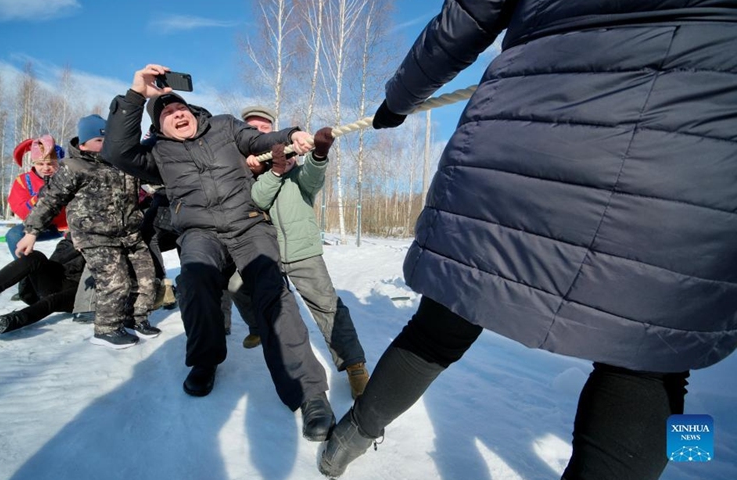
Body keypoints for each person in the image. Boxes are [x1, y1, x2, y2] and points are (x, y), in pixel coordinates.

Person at [319, 1, 737, 479]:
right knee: (650, 361)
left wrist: (399, 100)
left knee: (441, 322)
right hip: (689, 155)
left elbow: (464, 21)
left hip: (515, 143)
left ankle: (348, 440)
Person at [102, 64, 335, 442]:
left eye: (179, 108)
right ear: (157, 128)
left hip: (247, 224)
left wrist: (292, 135)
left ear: (192, 111)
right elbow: (115, 150)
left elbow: (261, 140)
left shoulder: (225, 127)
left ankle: (308, 393)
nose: (175, 113)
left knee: (272, 289)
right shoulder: (156, 154)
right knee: (194, 280)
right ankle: (205, 361)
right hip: (199, 232)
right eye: (164, 113)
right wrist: (135, 95)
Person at [241, 106, 370, 399]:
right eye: (253, 130)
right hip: (266, 255)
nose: (260, 134)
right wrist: (270, 171)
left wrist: (319, 155)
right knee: (238, 285)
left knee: (327, 306)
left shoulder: (297, 173)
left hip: (302, 253)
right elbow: (258, 198)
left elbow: (313, 178)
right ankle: (257, 326)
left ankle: (354, 366)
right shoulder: (246, 174)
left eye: (265, 128)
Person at [16, 114, 160, 350]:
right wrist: (32, 231)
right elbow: (50, 200)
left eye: (109, 139)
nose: (106, 145)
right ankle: (106, 329)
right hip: (95, 236)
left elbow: (147, 183)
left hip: (129, 234)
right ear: (83, 144)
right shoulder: (74, 167)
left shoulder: (123, 163)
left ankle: (135, 319)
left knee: (145, 279)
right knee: (116, 282)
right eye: (99, 140)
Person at [5, 135, 68, 259]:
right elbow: (22, 211)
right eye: (40, 164)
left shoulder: (68, 178)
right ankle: (27, 271)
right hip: (38, 226)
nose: (46, 168)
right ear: (34, 163)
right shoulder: (23, 181)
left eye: (51, 163)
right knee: (13, 235)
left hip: (67, 225)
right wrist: (39, 197)